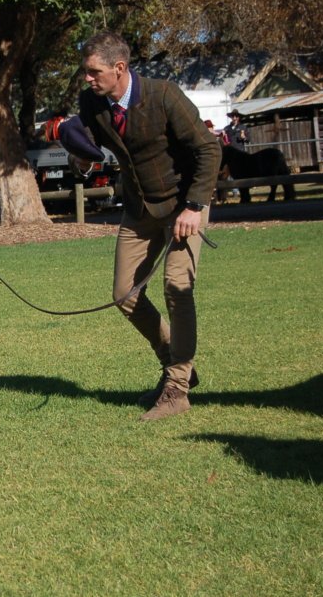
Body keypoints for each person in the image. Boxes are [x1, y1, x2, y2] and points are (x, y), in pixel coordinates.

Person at [58, 31, 221, 421]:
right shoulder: (92, 102)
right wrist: (81, 160)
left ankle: (177, 390)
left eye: (94, 72)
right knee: (124, 295)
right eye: (85, 71)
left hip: (183, 206)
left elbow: (208, 148)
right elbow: (88, 147)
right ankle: (177, 364)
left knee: (176, 288)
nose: (87, 79)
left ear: (119, 68)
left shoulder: (164, 95)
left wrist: (194, 206)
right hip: (138, 209)